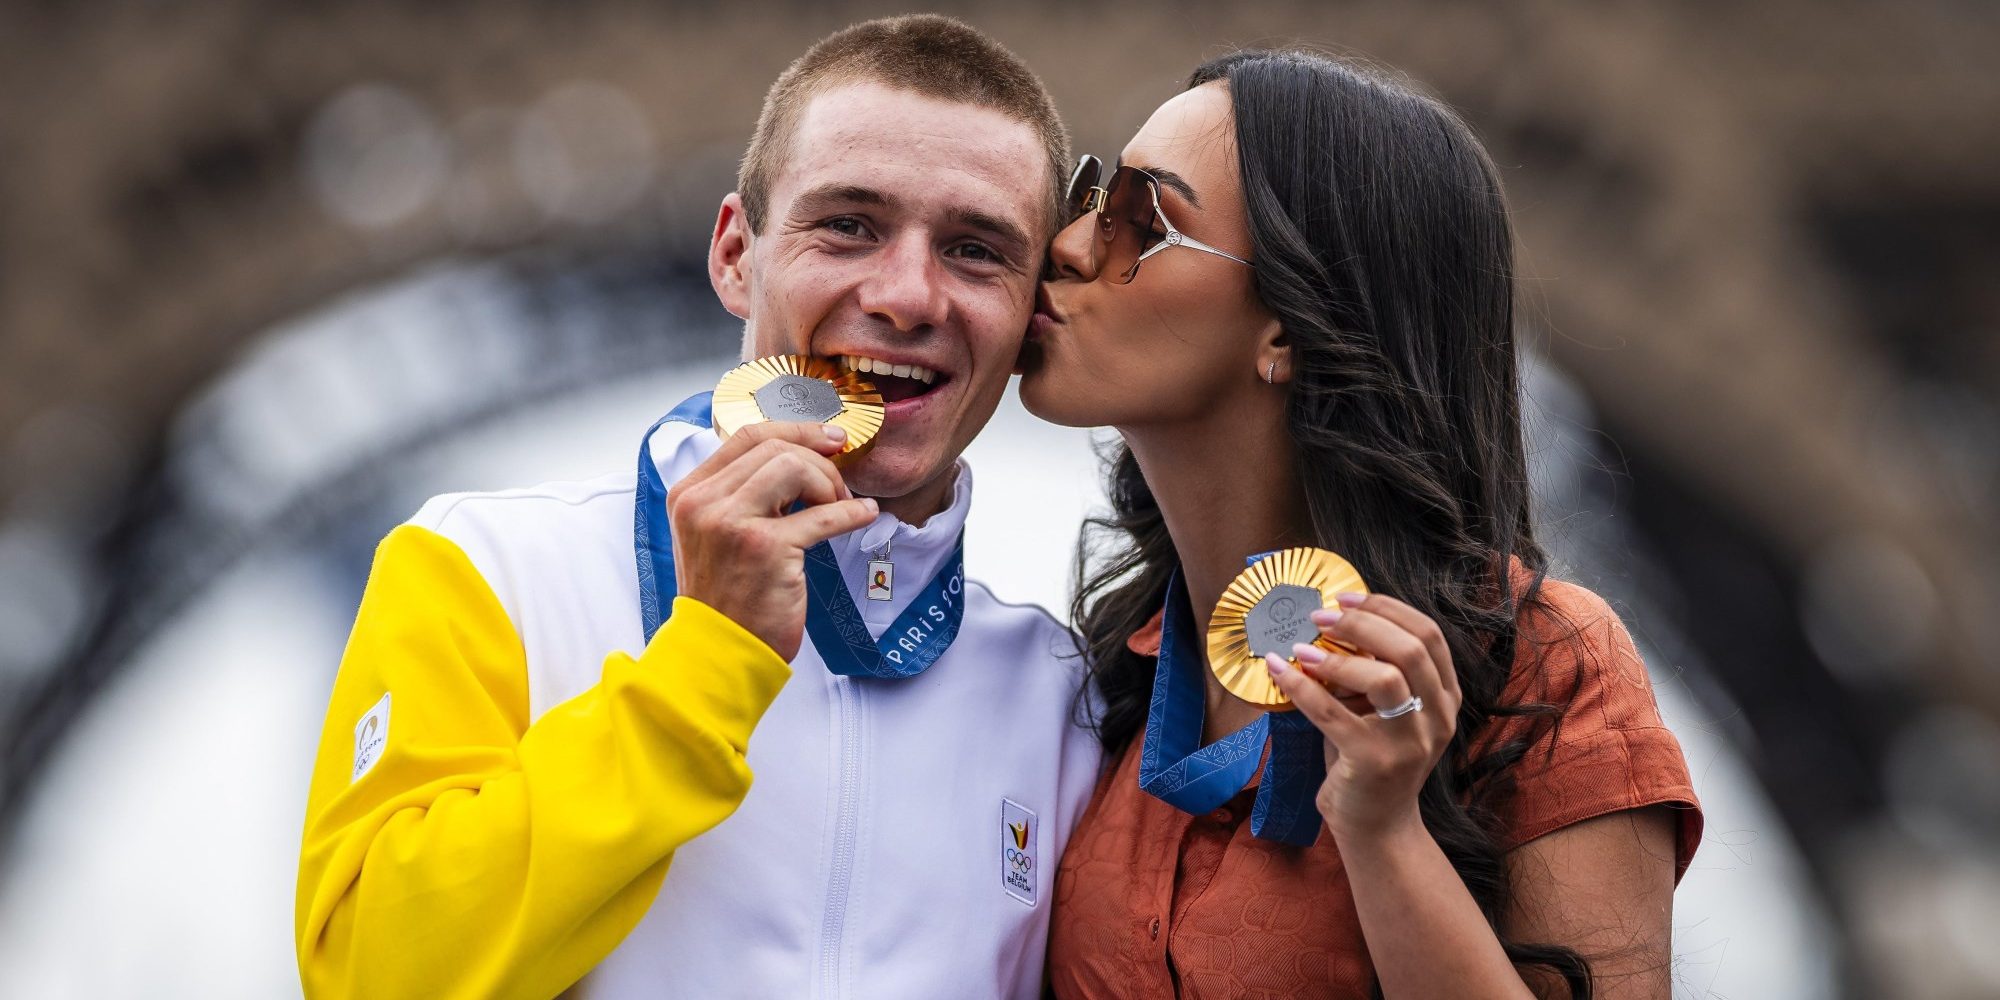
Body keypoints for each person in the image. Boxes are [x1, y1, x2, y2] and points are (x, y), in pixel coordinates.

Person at [295, 15, 1100, 999]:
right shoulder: (485, 568)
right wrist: (701, 665)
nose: (906, 294)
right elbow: (374, 976)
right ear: (732, 256)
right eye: (848, 223)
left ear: (1031, 318)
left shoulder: (1061, 698)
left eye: (975, 249)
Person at [1023, 50, 1703, 998]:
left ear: (1288, 331)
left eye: (1146, 221)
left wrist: (1383, 832)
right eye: (1095, 197)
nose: (1067, 243)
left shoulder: (1538, 666)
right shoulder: (1099, 678)